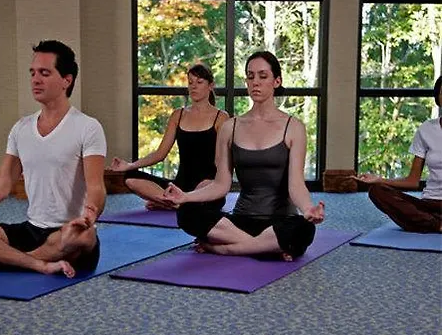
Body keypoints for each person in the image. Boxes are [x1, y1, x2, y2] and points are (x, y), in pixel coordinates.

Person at [163, 51, 325, 260]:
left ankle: (225, 249)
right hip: (240, 221)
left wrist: (308, 208)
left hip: (279, 222)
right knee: (187, 213)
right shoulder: (230, 127)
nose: (255, 82)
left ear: (277, 81)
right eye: (250, 76)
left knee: (303, 229)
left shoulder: (293, 127)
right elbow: (221, 184)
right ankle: (266, 247)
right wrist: (186, 197)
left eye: (263, 76)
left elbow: (296, 185)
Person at [0, 40, 107, 278]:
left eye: (44, 73)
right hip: (31, 228)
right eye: (32, 73)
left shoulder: (88, 127)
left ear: (67, 80)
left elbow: (96, 186)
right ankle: (39, 264)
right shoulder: (21, 128)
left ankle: (13, 259)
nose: (35, 80)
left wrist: (90, 214)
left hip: (68, 231)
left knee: (84, 238)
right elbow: (2, 184)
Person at [109, 64, 229, 210]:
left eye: (199, 82)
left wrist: (219, 184)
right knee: (130, 177)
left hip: (206, 185)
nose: (193, 87)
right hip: (179, 185)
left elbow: (221, 160)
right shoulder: (178, 115)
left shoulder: (221, 117)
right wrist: (130, 165)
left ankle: (172, 202)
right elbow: (160, 154)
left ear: (211, 86)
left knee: (208, 189)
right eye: (190, 82)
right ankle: (177, 202)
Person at [353, 75, 442, 233]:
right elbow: (412, 181)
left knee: (414, 218)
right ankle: (436, 224)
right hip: (429, 204)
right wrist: (379, 179)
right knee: (377, 191)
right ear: (438, 97)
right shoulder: (426, 129)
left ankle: (426, 223)